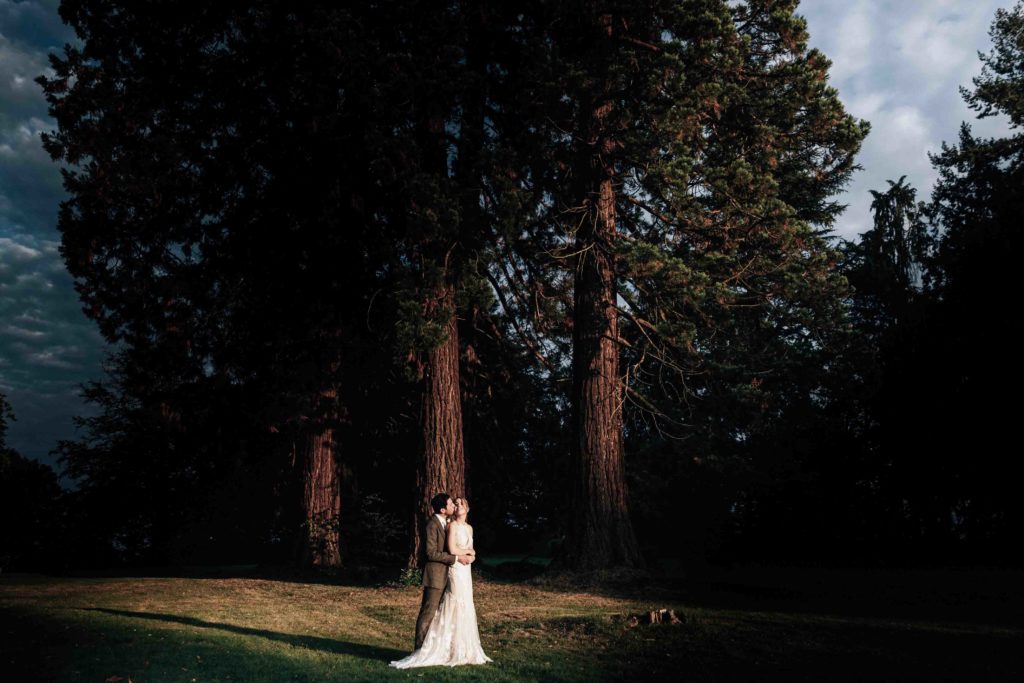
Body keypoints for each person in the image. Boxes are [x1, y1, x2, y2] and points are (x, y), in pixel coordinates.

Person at [390, 496, 492, 668]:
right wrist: (457, 558)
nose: (454, 506)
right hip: (436, 575)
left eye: (456, 503)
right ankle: (420, 651)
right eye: (451, 504)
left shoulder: (448, 523)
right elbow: (431, 553)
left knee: (447, 610)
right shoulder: (432, 524)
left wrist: (470, 555)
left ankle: (450, 648)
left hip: (453, 573)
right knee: (428, 612)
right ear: (443, 509)